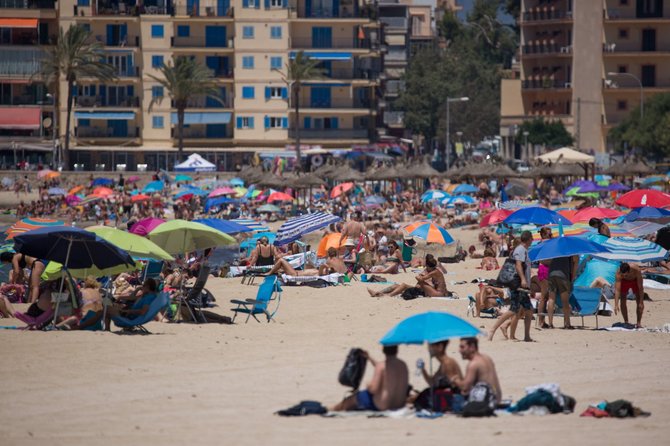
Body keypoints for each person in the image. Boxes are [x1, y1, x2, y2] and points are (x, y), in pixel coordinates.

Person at [330, 345, 409, 412]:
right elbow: (387, 370)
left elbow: (373, 389)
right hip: (399, 405)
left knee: (351, 400)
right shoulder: (403, 365)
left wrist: (368, 384)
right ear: (397, 350)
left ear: (383, 350)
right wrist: (369, 358)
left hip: (382, 405)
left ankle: (331, 409)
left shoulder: (381, 366)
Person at [488, 230, 533, 342]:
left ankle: (526, 336)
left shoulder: (523, 250)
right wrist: (523, 279)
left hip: (522, 285)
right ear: (528, 239)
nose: (532, 241)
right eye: (532, 239)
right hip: (517, 284)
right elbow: (518, 265)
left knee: (528, 310)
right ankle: (493, 329)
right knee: (513, 310)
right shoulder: (520, 250)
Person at [452, 337, 502, 406]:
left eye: (462, 347)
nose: (459, 350)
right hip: (496, 400)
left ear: (472, 347)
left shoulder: (473, 364)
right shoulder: (487, 358)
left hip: (484, 403)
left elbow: (465, 388)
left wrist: (455, 380)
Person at [368, 256, 447, 298]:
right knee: (396, 285)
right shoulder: (432, 271)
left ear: (428, 266)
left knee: (404, 285)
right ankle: (378, 292)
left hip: (438, 293)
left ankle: (388, 296)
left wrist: (421, 276)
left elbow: (420, 278)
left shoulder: (434, 272)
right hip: (428, 290)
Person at [547, 254, 579, 329]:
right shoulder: (570, 251)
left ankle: (550, 324)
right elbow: (575, 265)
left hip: (551, 274)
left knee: (551, 299)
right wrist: (572, 279)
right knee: (565, 300)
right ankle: (567, 324)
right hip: (563, 275)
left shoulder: (555, 249)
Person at [614, 263, 645, 328]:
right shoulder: (618, 273)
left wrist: (641, 302)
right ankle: (626, 321)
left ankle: (638, 323)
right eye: (622, 275)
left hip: (635, 281)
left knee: (639, 301)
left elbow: (640, 288)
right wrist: (616, 304)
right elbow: (617, 290)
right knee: (622, 299)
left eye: (625, 275)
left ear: (629, 271)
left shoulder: (636, 270)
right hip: (624, 282)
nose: (624, 276)